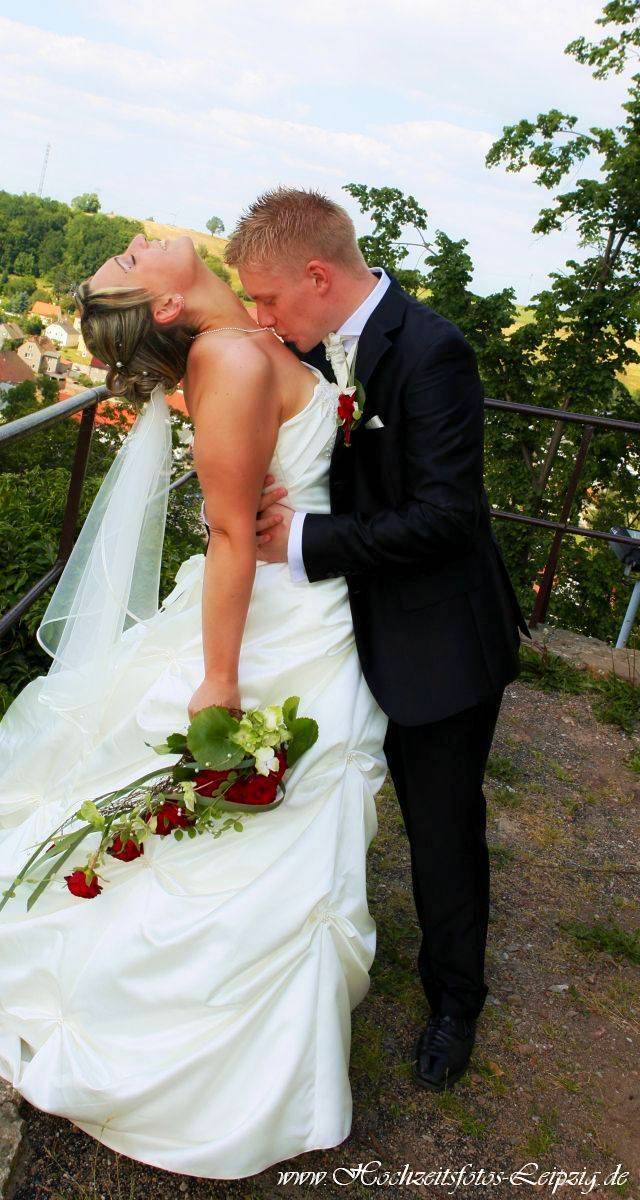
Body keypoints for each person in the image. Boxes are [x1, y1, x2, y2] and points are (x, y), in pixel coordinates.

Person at [0, 231, 389, 1179]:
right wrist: (221, 681)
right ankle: (193, 1046)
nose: (134, 242)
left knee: (273, 831)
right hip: (274, 623)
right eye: (124, 262)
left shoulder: (259, 342)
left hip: (307, 595)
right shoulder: (229, 357)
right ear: (163, 309)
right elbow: (232, 535)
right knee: (252, 819)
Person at [223, 186, 529, 1094]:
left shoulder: (433, 351)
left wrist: (306, 541)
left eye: (268, 300)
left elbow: (445, 517)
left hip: (439, 640)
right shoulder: (308, 343)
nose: (260, 318)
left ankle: (453, 1005)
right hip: (341, 629)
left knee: (442, 832)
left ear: (318, 277)